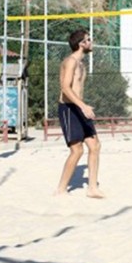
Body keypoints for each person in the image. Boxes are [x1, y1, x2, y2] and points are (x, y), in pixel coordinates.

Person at [55, 29, 104, 198]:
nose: (91, 42)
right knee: (77, 150)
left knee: (95, 145)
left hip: (80, 108)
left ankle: (92, 188)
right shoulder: (71, 62)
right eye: (89, 39)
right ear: (81, 44)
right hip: (69, 109)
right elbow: (65, 88)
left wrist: (83, 106)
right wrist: (83, 106)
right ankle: (61, 189)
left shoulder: (82, 64)